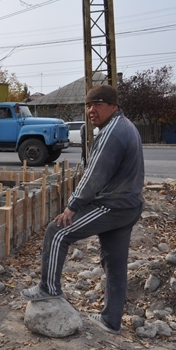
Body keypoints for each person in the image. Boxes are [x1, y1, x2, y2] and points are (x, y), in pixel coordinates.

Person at [20, 84, 145, 335]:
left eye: (97, 105)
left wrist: (72, 207)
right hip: (129, 204)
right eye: (88, 105)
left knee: (57, 231)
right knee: (115, 263)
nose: (91, 110)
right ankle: (111, 321)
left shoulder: (113, 133)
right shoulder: (124, 127)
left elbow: (94, 176)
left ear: (113, 107)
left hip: (114, 205)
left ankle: (49, 288)